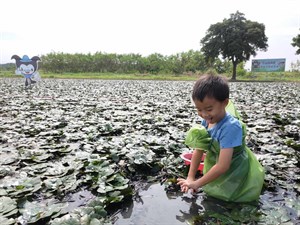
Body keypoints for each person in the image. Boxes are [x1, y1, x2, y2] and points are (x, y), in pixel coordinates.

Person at [177, 74, 265, 202]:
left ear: (225, 103)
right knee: (214, 192)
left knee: (233, 198)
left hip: (235, 169)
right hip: (216, 162)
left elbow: (223, 166)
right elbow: (199, 149)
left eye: (209, 109)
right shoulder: (206, 121)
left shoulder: (231, 127)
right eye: (199, 109)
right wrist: (190, 178)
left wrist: (197, 183)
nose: (204, 114)